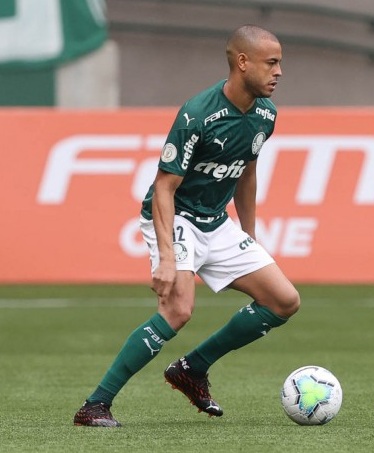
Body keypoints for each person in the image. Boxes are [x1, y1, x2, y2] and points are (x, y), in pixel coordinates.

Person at [73, 24, 298, 427]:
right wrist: (165, 258)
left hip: (217, 222)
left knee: (283, 301)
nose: (279, 71)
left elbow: (247, 173)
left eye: (280, 62)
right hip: (176, 216)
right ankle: (95, 405)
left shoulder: (266, 114)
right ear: (242, 62)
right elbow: (163, 188)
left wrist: (248, 233)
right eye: (272, 62)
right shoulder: (198, 114)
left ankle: (192, 368)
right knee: (178, 309)